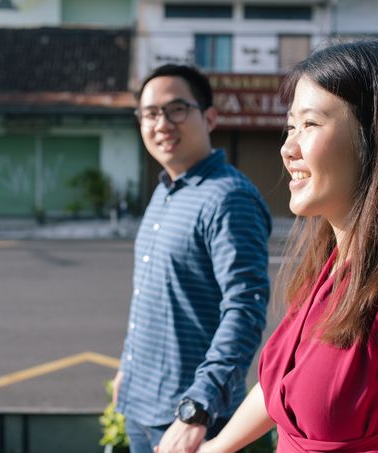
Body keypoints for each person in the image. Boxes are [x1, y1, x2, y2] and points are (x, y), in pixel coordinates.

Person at [200, 39, 378, 452]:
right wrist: (215, 447)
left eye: (311, 125)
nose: (287, 148)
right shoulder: (332, 265)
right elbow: (283, 383)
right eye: (290, 127)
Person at [113, 64, 272, 453]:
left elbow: (245, 309)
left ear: (210, 118)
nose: (162, 123)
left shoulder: (227, 198)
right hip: (141, 408)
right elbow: (155, 298)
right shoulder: (167, 189)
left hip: (193, 423)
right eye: (150, 113)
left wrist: (197, 410)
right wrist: (127, 368)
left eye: (177, 109)